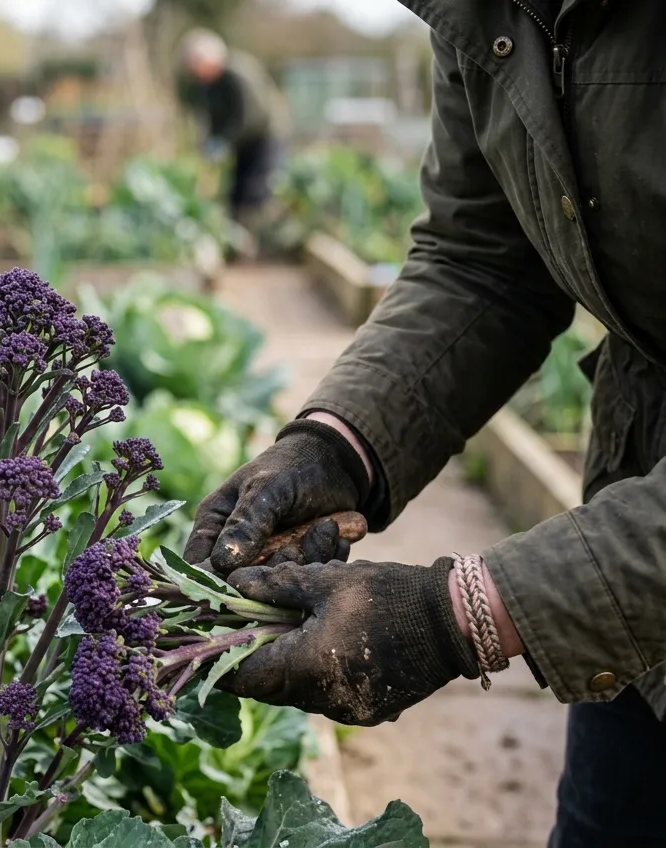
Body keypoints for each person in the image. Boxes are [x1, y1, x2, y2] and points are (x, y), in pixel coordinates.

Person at [185, 4, 666, 846]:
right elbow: (485, 255)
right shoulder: (488, 11)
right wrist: (337, 443)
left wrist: (462, 614)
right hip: (636, 523)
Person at [180, 29, 287, 241]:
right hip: (241, 142)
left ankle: (263, 239)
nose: (195, 71)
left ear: (210, 58)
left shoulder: (239, 74)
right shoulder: (208, 85)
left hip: (265, 137)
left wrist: (224, 141)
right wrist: (207, 143)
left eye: (196, 64)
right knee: (235, 192)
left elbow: (252, 116)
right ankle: (238, 240)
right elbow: (211, 119)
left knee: (255, 190)